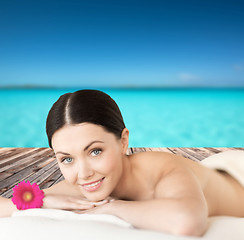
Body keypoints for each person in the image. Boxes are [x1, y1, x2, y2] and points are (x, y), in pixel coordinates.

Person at [1, 89, 244, 237]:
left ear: (123, 141)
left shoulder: (163, 169)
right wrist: (43, 202)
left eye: (95, 151)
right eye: (67, 158)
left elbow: (186, 222)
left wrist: (112, 207)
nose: (83, 172)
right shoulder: (80, 185)